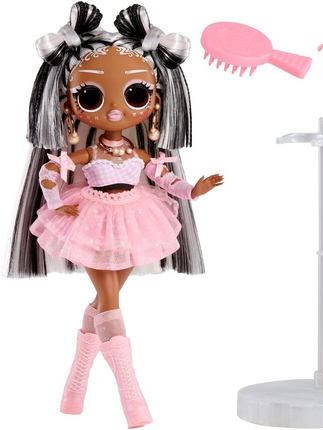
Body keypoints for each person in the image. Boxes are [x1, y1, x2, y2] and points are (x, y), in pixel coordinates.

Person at [6, 2, 223, 428]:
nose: (116, 111)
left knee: (104, 300)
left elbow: (164, 178)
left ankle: (76, 380)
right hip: (90, 217)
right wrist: (55, 202)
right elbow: (51, 171)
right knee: (110, 300)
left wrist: (194, 190)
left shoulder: (138, 151)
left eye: (136, 95)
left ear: (154, 103)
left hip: (134, 217)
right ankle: (130, 392)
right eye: (90, 97)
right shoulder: (88, 152)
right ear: (70, 105)